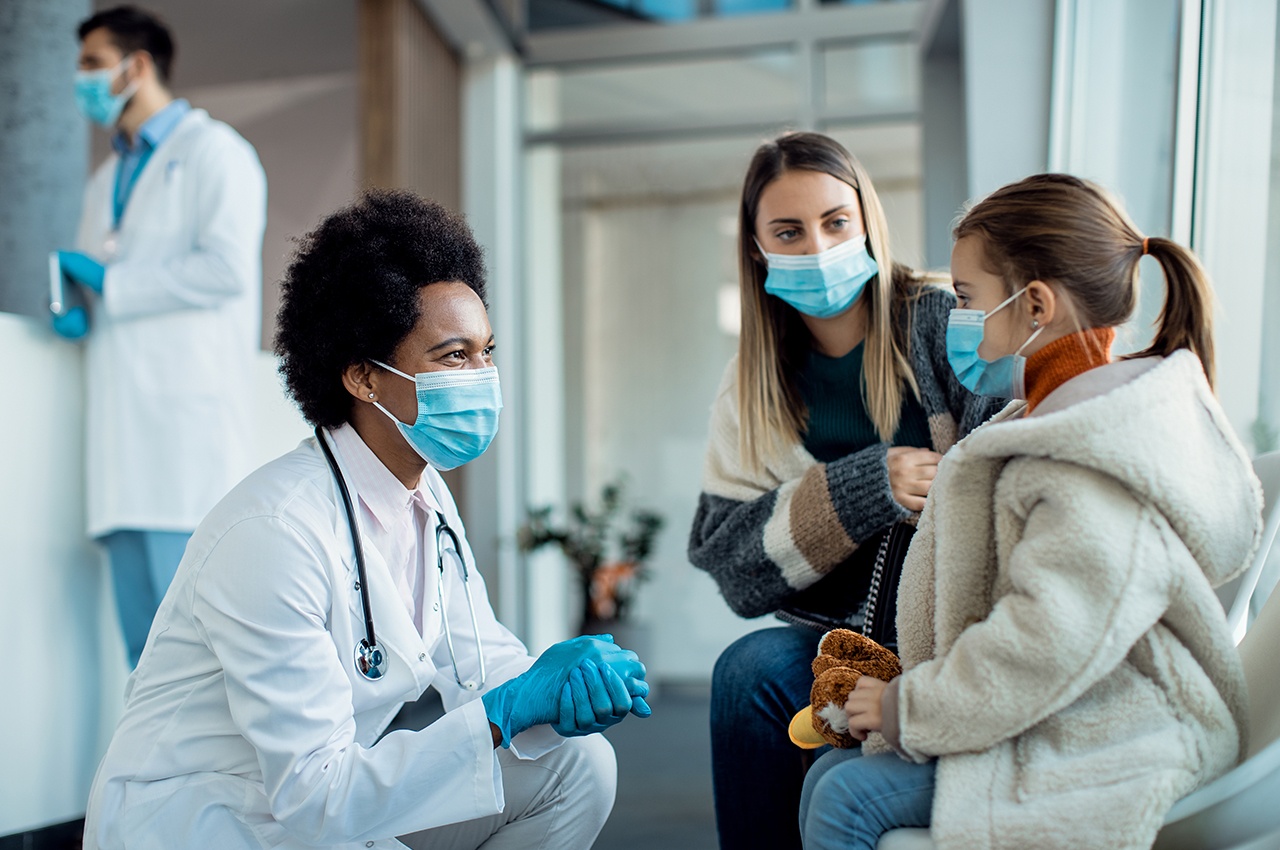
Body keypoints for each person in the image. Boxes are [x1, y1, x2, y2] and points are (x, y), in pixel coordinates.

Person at [83, 191, 651, 850]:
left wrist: (558, 683)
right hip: (207, 818)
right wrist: (507, 709)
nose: (483, 378)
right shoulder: (272, 533)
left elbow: (482, 666)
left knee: (575, 765)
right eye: (452, 356)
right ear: (362, 377)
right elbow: (314, 793)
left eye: (485, 352)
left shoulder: (426, 498)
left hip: (325, 807)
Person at [798, 174, 1260, 850]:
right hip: (1058, 710)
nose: (955, 318)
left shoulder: (1094, 450)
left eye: (966, 298)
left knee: (845, 796)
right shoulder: (1047, 423)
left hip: (1115, 734)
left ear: (1035, 304)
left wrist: (911, 708)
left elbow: (1047, 637)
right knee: (829, 773)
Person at [687, 131, 1002, 850]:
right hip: (847, 641)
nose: (818, 248)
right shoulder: (751, 387)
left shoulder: (944, 322)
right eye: (788, 232)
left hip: (951, 631)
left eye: (836, 222)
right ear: (757, 246)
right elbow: (734, 571)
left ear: (866, 218)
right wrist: (860, 489)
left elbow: (1004, 475)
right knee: (747, 672)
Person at [55, 5, 267, 668]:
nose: (81, 79)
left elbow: (227, 270)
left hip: (184, 443)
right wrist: (81, 305)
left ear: (136, 65)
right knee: (141, 660)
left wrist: (112, 284)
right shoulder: (101, 182)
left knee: (196, 658)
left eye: (92, 63)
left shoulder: (216, 153)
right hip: (120, 451)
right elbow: (110, 285)